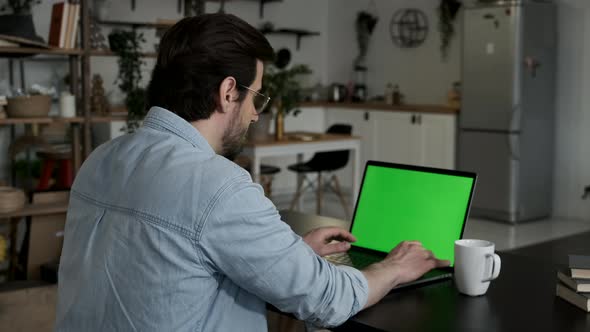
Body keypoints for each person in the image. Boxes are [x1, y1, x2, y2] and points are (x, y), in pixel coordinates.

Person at [55, 13, 449, 331]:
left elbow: (170, 261)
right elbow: (327, 299)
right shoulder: (219, 185)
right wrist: (393, 268)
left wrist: (290, 254)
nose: (256, 112)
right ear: (228, 92)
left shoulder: (102, 158)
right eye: (256, 95)